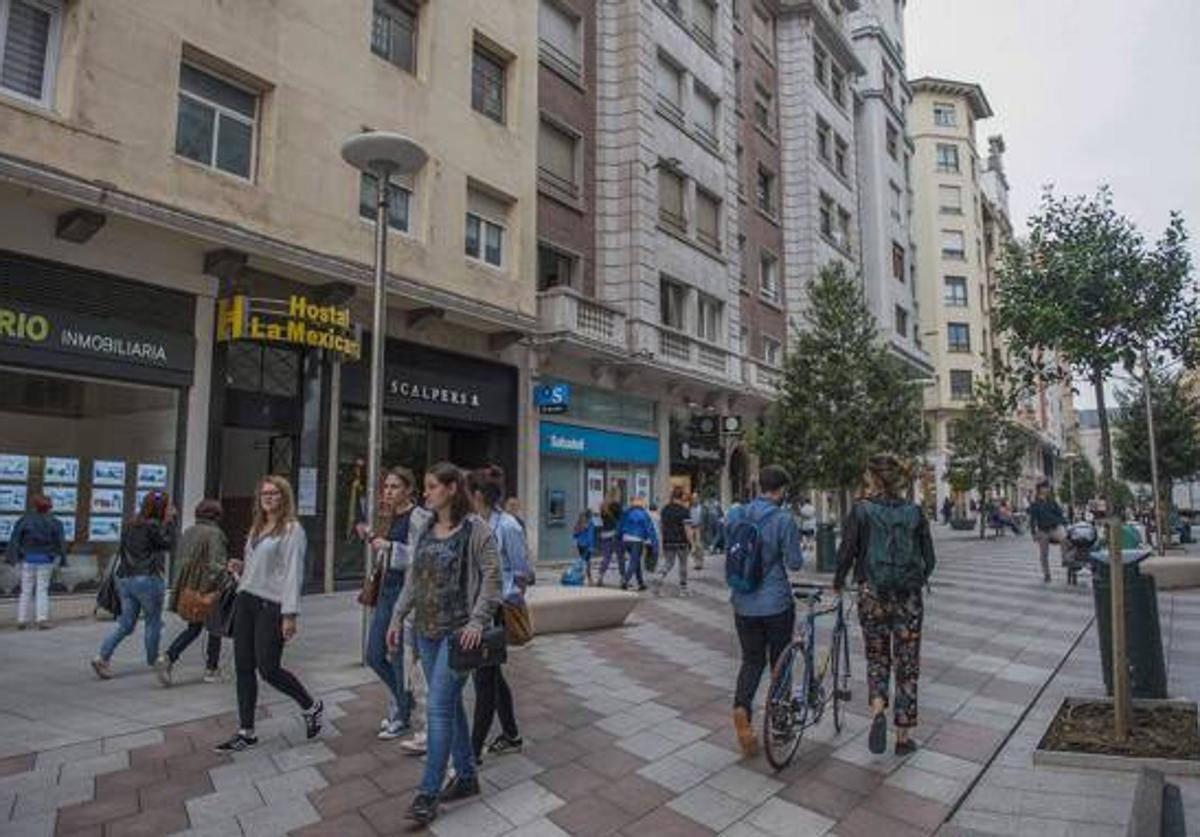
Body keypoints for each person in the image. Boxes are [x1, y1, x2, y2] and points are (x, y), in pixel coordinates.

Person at [386, 462, 500, 826]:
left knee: (437, 708)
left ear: (452, 489)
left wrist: (478, 621)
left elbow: (493, 578)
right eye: (426, 486)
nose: (426, 492)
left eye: (433, 486)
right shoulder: (424, 528)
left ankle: (427, 793)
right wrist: (396, 617)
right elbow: (413, 580)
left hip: (458, 636)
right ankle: (466, 776)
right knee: (450, 707)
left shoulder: (475, 529)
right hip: (425, 632)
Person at [834, 453, 936, 757]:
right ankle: (903, 737)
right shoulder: (916, 512)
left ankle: (878, 709)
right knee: (907, 664)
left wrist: (840, 581)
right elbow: (929, 560)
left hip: (872, 595)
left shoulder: (862, 510)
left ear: (873, 478)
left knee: (877, 656)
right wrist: (913, 579)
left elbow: (846, 552)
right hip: (908, 598)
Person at [215, 476, 323, 753]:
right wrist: (240, 568)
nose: (269, 497)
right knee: (242, 667)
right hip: (246, 602)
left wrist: (290, 614)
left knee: (268, 669)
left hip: (271, 607)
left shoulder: (291, 529)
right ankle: (246, 731)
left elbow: (292, 574)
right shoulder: (257, 528)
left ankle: (310, 705)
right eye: (264, 493)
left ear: (284, 497)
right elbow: (259, 569)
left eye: (275, 493)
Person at [724, 465, 805, 757]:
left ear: (760, 487)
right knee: (780, 662)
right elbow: (795, 563)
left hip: (743, 601)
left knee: (751, 660)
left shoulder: (737, 514)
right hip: (776, 603)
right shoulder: (783, 519)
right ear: (781, 490)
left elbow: (729, 549)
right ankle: (781, 724)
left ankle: (741, 709)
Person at [359, 467, 430, 740]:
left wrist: (389, 548)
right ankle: (404, 701)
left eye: (395, 487)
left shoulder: (419, 517)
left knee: (400, 657)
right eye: (386, 487)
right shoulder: (385, 516)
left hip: (406, 593)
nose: (388, 492)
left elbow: (421, 556)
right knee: (374, 655)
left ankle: (401, 714)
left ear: (409, 490)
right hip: (386, 592)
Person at [468, 467, 528, 763]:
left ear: (478, 496)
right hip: (480, 608)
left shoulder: (508, 526)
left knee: (485, 679)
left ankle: (472, 749)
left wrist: (509, 601)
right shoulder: (476, 523)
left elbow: (521, 571)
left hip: (498, 611)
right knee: (492, 675)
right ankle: (511, 734)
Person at [92, 492, 176, 678]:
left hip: (125, 579)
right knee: (153, 622)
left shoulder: (130, 525)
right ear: (160, 509)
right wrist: (170, 523)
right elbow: (168, 544)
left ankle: (102, 657)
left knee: (126, 624)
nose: (171, 509)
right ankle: (155, 662)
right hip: (147, 579)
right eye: (169, 506)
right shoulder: (153, 526)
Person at [157, 499, 228, 685]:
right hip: (206, 588)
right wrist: (222, 582)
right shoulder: (215, 533)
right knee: (215, 628)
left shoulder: (188, 532)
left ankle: (168, 657)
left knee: (194, 628)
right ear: (217, 515)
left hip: (188, 588)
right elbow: (216, 565)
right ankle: (211, 669)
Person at [6, 494, 65, 629]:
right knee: (42, 590)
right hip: (46, 559)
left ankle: (22, 620)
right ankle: (42, 619)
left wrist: (16, 556)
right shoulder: (55, 522)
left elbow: (16, 539)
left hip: (28, 559)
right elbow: (60, 543)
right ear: (49, 507)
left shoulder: (24, 520)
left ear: (34, 506)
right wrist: (59, 557)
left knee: (25, 590)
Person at [654, 486, 693, 597]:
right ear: (681, 497)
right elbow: (687, 529)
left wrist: (663, 538)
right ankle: (683, 589)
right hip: (681, 541)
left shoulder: (665, 509)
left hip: (668, 540)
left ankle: (659, 579)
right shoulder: (684, 511)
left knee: (669, 563)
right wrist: (692, 543)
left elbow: (661, 526)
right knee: (683, 565)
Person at [1027, 480, 1067, 584]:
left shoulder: (1052, 501)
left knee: (1064, 538)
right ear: (1040, 489)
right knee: (1044, 553)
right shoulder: (1035, 504)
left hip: (1054, 528)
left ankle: (1065, 559)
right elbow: (1032, 520)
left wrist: (1064, 523)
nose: (1047, 489)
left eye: (1048, 488)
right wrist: (1033, 533)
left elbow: (1060, 514)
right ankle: (1047, 574)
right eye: (1045, 487)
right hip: (1043, 531)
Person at [618, 496, 658, 592]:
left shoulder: (626, 512)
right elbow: (650, 529)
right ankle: (625, 580)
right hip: (637, 539)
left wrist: (619, 537)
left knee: (636, 561)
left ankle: (641, 583)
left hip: (625, 539)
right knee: (634, 561)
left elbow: (620, 525)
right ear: (641, 503)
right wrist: (654, 542)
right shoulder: (644, 514)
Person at [595, 489, 623, 586]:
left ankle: (600, 577)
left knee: (606, 557)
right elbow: (622, 519)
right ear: (616, 495)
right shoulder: (617, 506)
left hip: (605, 534)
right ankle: (623, 579)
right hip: (615, 534)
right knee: (620, 557)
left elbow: (603, 520)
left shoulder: (603, 506)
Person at [572, 511, 595, 584]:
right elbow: (590, 536)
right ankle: (589, 579)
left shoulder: (578, 524)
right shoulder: (590, 523)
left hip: (580, 545)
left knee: (581, 562)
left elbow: (575, 535)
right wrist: (590, 547)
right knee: (587, 563)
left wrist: (575, 543)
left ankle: (580, 578)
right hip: (587, 546)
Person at [689, 493, 705, 570]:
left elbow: (705, 519)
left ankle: (700, 562)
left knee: (699, 546)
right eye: (693, 498)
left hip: (699, 528)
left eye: (695, 498)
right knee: (693, 547)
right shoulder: (690, 508)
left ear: (698, 499)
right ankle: (696, 563)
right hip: (692, 528)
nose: (694, 500)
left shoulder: (702, 508)